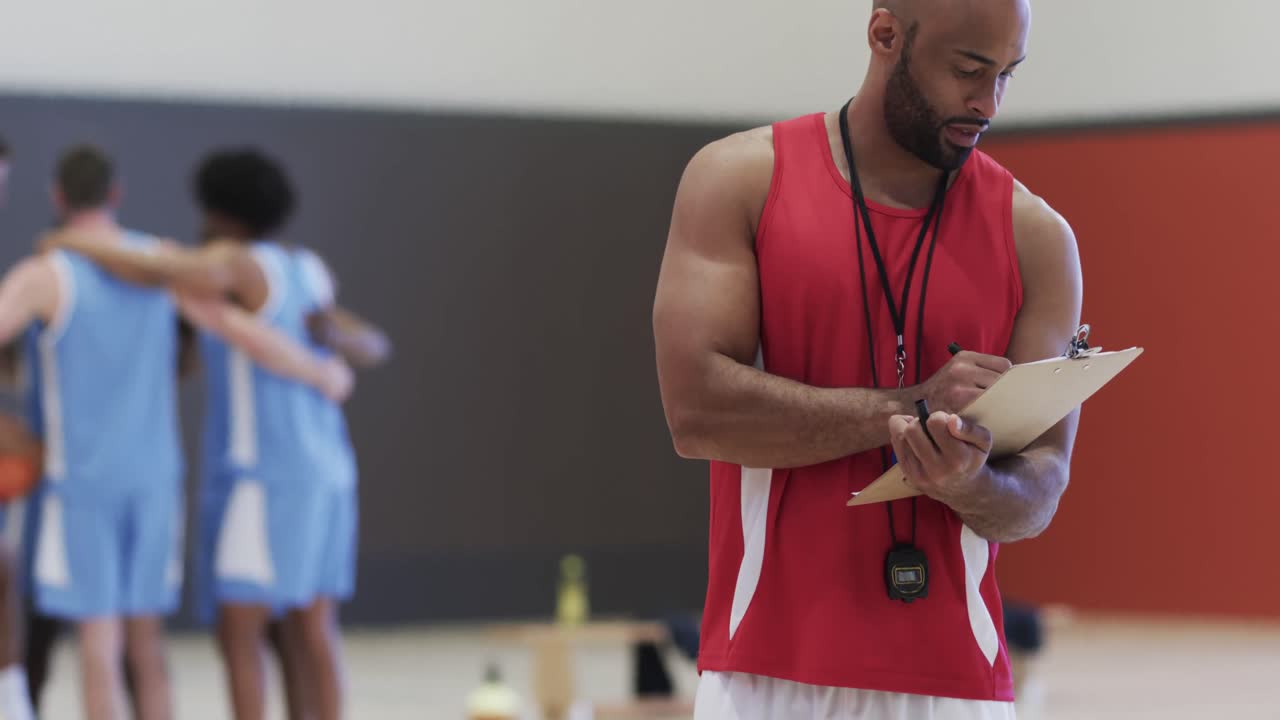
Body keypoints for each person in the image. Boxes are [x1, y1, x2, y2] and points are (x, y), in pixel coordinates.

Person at [652, 1, 1083, 717]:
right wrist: (910, 406)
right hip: (763, 675)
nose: (988, 102)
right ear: (886, 34)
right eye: (968, 70)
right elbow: (696, 414)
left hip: (957, 685)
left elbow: (1039, 492)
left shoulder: (1036, 236)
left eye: (1007, 74)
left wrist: (968, 482)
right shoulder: (739, 180)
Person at [45, 147, 389, 720]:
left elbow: (153, 269)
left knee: (240, 632)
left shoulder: (234, 263)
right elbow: (376, 343)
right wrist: (338, 348)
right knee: (312, 630)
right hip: (330, 467)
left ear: (222, 211)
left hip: (269, 475)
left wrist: (70, 241)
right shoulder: (308, 268)